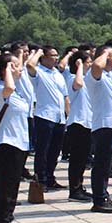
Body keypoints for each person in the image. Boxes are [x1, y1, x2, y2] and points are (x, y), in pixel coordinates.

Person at [0, 52, 32, 223]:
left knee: (13, 185)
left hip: (18, 143)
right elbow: (9, 86)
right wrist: (7, 68)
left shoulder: (16, 93)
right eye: (14, 65)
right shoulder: (0, 90)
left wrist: (16, 69)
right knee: (6, 186)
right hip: (6, 144)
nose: (19, 68)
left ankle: (8, 219)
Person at [88, 43, 112, 214]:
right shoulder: (95, 76)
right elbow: (97, 65)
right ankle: (98, 200)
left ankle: (104, 194)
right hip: (104, 124)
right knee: (101, 164)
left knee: (109, 165)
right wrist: (106, 52)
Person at [28, 45, 69, 192]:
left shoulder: (57, 73)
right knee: (42, 151)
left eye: (57, 55)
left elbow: (65, 95)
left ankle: (50, 177)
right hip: (44, 116)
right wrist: (38, 52)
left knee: (54, 151)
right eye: (52, 55)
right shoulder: (38, 72)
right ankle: (41, 180)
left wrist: (67, 114)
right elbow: (29, 65)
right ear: (43, 58)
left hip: (59, 117)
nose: (56, 58)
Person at [65, 51, 94, 201]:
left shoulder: (86, 79)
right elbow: (78, 84)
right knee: (77, 159)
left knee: (83, 159)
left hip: (87, 122)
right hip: (77, 122)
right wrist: (80, 66)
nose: (90, 64)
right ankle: (74, 190)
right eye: (88, 62)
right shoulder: (72, 78)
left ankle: (79, 187)